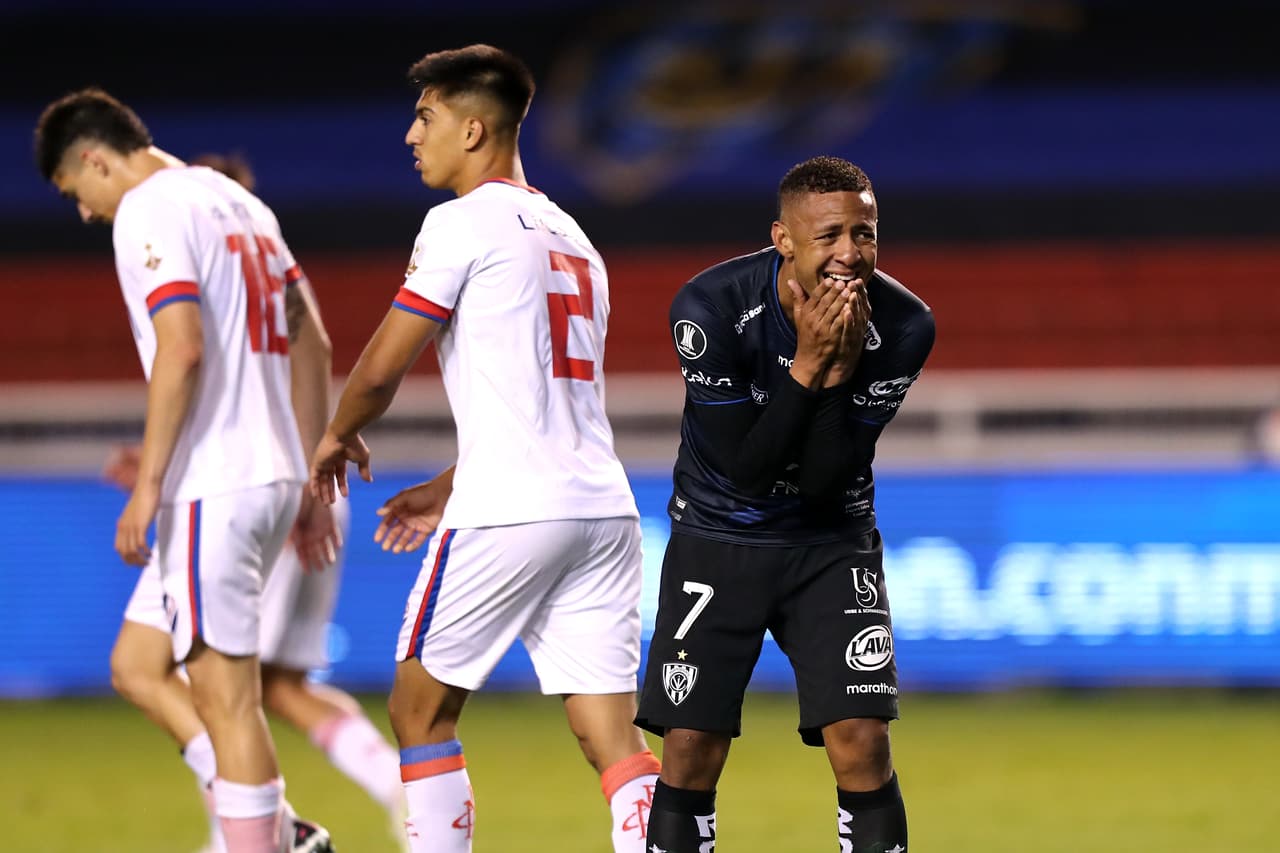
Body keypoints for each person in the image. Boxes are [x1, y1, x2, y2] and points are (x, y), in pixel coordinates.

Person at [308, 44, 660, 853]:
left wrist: (339, 430)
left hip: (509, 512)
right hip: (601, 510)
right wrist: (444, 483)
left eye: (425, 117)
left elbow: (384, 362)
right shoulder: (574, 238)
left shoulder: (460, 223)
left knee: (418, 710)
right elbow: (551, 409)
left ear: (473, 130)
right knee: (612, 735)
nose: (410, 135)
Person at [35, 89, 337, 853]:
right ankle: (281, 828)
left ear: (95, 158)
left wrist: (148, 484)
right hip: (263, 476)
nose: (84, 213)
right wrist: (305, 472)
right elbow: (316, 345)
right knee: (138, 665)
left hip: (214, 482)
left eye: (77, 193)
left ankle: (264, 840)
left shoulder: (148, 208)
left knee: (229, 702)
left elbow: (183, 346)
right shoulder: (241, 205)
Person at [96, 150, 407, 853]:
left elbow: (221, 393)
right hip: (294, 483)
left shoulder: (193, 257)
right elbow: (288, 368)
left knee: (220, 686)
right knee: (269, 684)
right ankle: (383, 786)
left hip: (248, 493)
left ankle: (258, 830)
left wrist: (155, 479)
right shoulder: (262, 264)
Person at [634, 155, 935, 853]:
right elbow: (747, 471)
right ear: (784, 239)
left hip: (831, 543)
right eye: (829, 235)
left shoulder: (906, 325)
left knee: (862, 741)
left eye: (865, 233)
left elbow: (828, 479)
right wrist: (808, 364)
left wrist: (838, 369)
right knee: (691, 746)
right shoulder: (707, 309)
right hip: (718, 535)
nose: (849, 253)